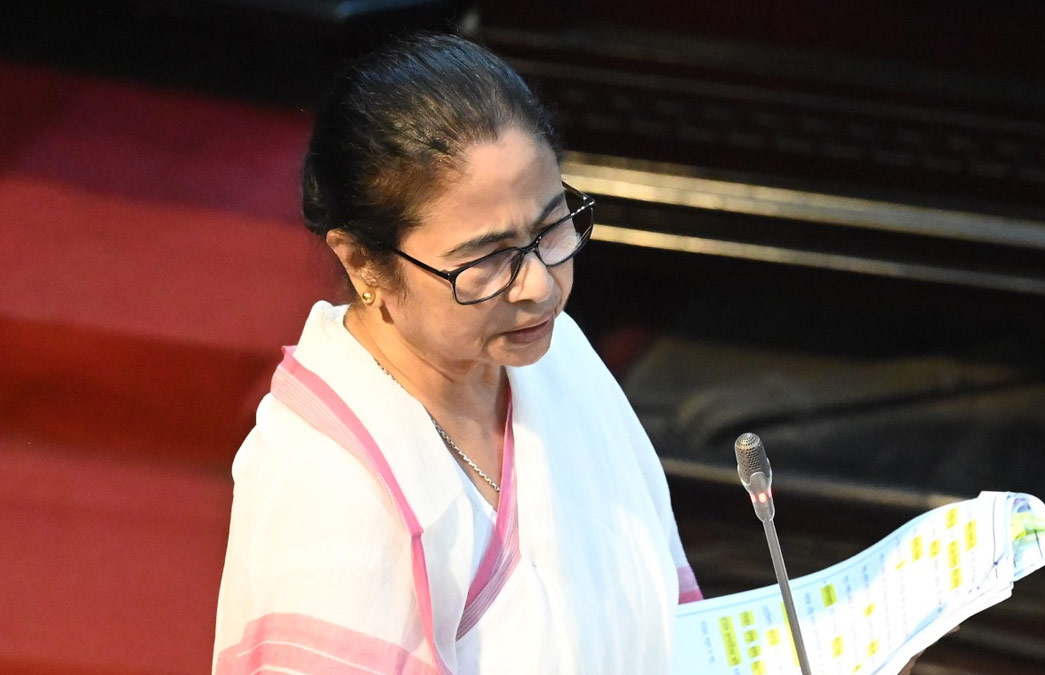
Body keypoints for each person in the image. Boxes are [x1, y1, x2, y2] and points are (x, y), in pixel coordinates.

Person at [211, 33, 701, 674]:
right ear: (364, 262)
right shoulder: (329, 491)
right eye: (488, 258)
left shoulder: (560, 360)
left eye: (551, 228)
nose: (539, 286)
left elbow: (670, 620)